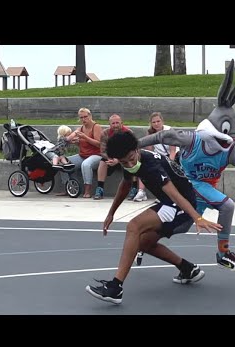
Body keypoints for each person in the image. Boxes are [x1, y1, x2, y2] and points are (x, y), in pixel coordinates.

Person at [137, 59, 235, 272]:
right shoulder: (192, 139)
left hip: (204, 187)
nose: (228, 140)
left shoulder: (231, 150)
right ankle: (223, 254)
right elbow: (162, 135)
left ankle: (145, 242)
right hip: (187, 182)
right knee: (225, 206)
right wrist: (134, 145)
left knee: (180, 226)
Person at [85, 131, 222, 304]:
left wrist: (197, 218)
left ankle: (115, 287)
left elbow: (174, 195)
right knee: (142, 243)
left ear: (137, 149)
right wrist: (111, 213)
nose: (129, 164)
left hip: (181, 204)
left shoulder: (151, 165)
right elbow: (126, 185)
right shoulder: (130, 160)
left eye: (130, 158)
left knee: (134, 226)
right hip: (172, 203)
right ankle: (188, 269)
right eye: (123, 162)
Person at [132, 111, 178, 202]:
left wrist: (170, 163)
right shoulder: (150, 133)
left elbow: (173, 151)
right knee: (144, 165)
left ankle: (166, 194)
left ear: (162, 121)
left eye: (158, 121)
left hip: (173, 156)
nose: (156, 124)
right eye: (154, 122)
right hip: (159, 156)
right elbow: (149, 151)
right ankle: (141, 191)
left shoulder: (169, 131)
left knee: (166, 170)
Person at [58, 108, 102, 198]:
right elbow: (83, 145)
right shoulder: (80, 129)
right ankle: (68, 187)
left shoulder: (96, 127)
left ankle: (87, 191)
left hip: (96, 155)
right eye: (81, 117)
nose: (83, 119)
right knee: (62, 162)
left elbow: (99, 144)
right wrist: (76, 142)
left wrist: (85, 137)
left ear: (90, 116)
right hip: (83, 155)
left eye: (85, 117)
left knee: (86, 164)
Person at [93, 114, 137, 200]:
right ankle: (100, 188)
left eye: (117, 123)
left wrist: (119, 160)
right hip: (111, 157)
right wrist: (110, 159)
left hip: (126, 157)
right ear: (109, 124)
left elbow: (132, 150)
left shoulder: (128, 133)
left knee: (133, 161)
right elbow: (103, 151)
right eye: (113, 123)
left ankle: (134, 188)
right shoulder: (105, 134)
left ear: (122, 123)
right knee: (103, 161)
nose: (115, 125)